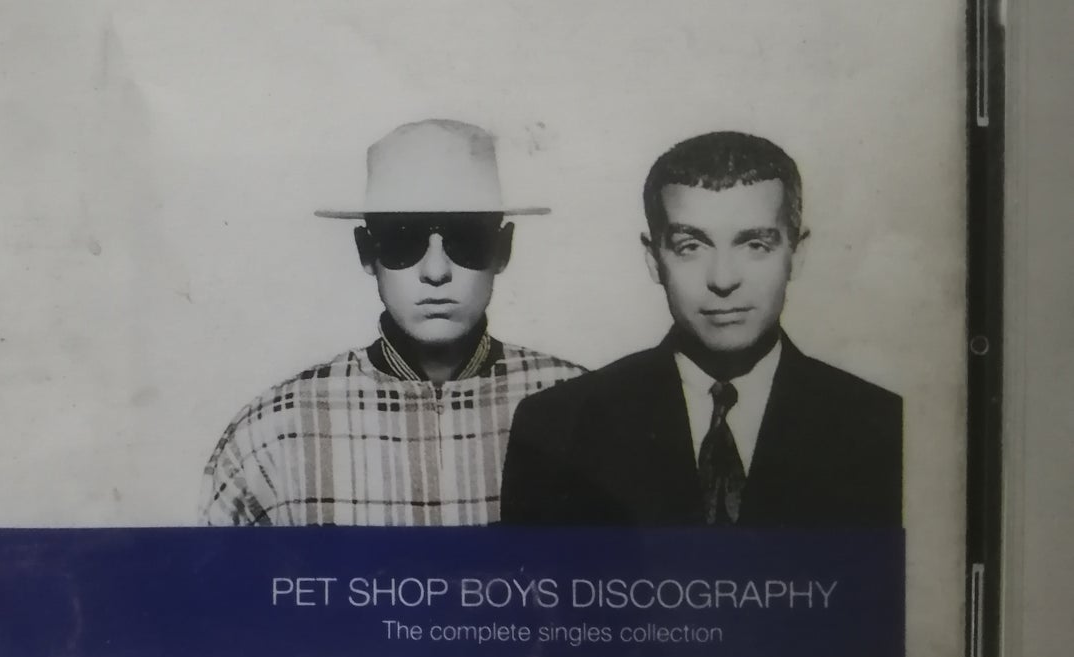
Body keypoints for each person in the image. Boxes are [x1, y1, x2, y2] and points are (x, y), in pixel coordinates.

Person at [500, 130, 903, 527]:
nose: (723, 279)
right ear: (654, 259)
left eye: (755, 245)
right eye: (691, 246)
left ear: (796, 253)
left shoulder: (880, 425)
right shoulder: (558, 427)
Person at [199, 119, 582, 525]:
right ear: (366, 251)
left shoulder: (581, 409)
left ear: (503, 248)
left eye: (467, 237)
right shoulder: (274, 432)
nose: (436, 271)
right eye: (404, 238)